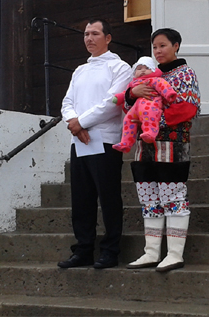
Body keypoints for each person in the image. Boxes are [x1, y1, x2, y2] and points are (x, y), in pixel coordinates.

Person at [123, 28, 200, 272]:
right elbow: (128, 107)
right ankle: (151, 252)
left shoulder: (185, 73)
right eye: (154, 47)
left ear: (176, 46)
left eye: (163, 45)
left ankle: (175, 254)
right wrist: (131, 93)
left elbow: (188, 108)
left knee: (173, 197)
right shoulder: (148, 76)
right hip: (144, 147)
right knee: (148, 198)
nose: (157, 51)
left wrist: (152, 120)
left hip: (172, 146)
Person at [57, 19, 132, 270]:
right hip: (79, 141)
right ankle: (84, 249)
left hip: (106, 139)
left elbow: (112, 103)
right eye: (86, 34)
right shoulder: (79, 70)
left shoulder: (120, 67)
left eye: (95, 33)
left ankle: (110, 251)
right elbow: (67, 102)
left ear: (108, 38)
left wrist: (81, 122)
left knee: (108, 197)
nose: (89, 38)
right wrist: (74, 123)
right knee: (81, 198)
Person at [112, 56, 177, 153]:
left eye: (147, 68)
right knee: (127, 119)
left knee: (148, 114)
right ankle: (126, 143)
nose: (143, 71)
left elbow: (162, 85)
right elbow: (125, 93)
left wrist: (169, 94)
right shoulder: (133, 84)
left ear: (153, 70)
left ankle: (150, 133)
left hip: (151, 103)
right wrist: (119, 98)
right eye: (139, 69)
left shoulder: (153, 79)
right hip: (136, 108)